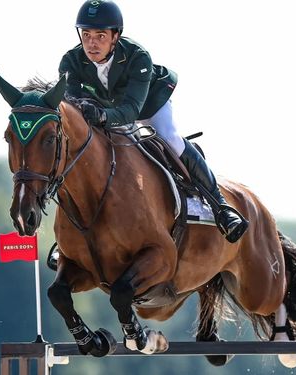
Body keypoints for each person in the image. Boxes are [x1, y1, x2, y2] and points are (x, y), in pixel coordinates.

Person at [59, 0, 248, 243]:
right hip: (105, 108)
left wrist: (103, 116)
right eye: (86, 35)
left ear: (115, 36)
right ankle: (70, 235)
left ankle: (221, 208)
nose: (92, 43)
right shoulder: (71, 61)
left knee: (170, 139)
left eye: (100, 35)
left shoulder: (138, 57)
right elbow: (72, 105)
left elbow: (131, 110)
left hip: (148, 104)